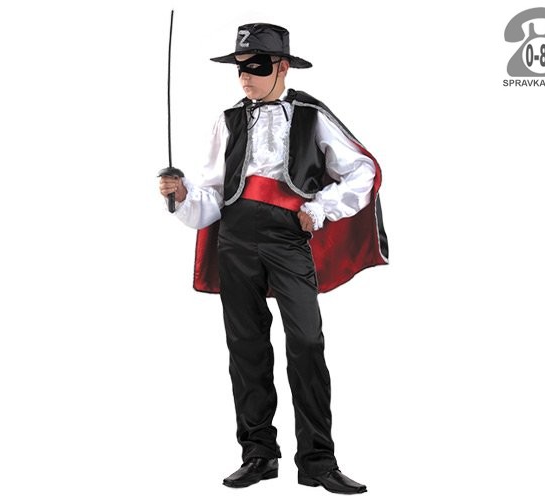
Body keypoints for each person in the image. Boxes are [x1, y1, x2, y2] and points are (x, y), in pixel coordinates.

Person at [159, 23, 388, 494]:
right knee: (246, 347)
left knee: (306, 342)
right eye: (240, 68)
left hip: (288, 240)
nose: (245, 76)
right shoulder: (227, 121)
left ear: (282, 67)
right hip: (236, 240)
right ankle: (258, 454)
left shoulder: (310, 116)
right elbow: (213, 194)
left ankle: (318, 461)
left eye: (256, 66)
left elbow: (362, 171)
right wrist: (182, 194)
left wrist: (320, 209)